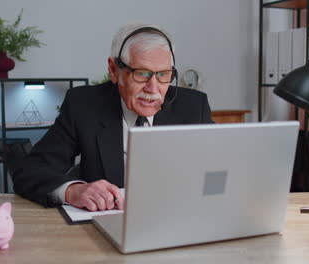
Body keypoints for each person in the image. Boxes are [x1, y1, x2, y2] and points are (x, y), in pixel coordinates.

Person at [13, 24, 213, 211]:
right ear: (114, 70)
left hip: (177, 219)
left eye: (163, 74)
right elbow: (30, 171)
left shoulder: (194, 107)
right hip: (108, 225)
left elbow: (222, 171)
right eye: (141, 73)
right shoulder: (84, 106)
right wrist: (73, 191)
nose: (153, 88)